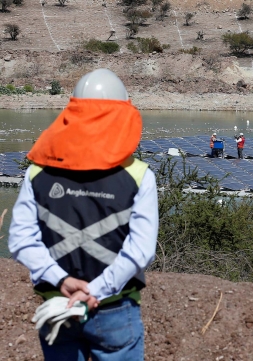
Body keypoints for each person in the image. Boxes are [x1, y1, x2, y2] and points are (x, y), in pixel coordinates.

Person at [8, 68, 158, 361]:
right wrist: (97, 290)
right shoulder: (139, 176)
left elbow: (20, 241)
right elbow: (140, 252)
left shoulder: (37, 173)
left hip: (58, 307)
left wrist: (61, 280)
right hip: (115, 309)